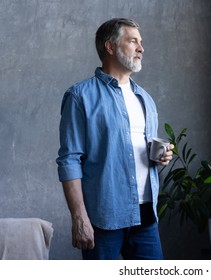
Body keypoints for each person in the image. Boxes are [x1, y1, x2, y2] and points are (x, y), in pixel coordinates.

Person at [56, 18, 173, 260]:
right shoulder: (79, 96)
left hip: (146, 218)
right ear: (110, 47)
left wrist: (160, 158)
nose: (141, 48)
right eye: (133, 41)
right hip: (103, 219)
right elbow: (69, 161)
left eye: (140, 42)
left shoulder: (146, 99)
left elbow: (136, 152)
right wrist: (79, 218)